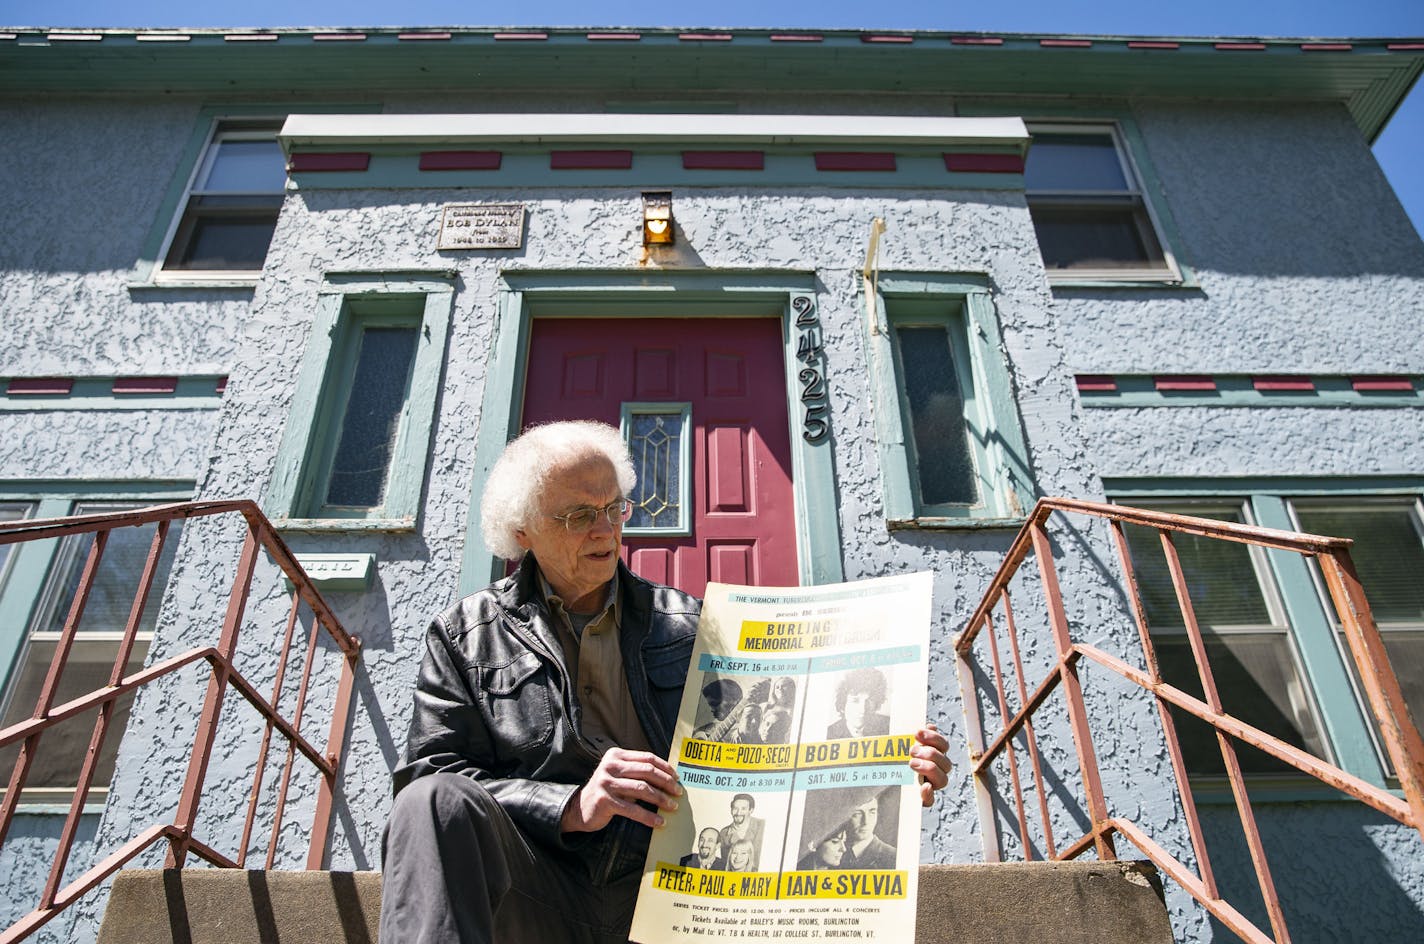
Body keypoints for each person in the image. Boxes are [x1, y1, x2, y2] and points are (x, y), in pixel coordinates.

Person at [379, 420, 953, 944]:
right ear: (521, 530)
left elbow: (774, 756)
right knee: (431, 802)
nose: (605, 529)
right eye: (580, 515)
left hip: (674, 890)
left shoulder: (698, 625)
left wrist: (885, 768)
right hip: (536, 890)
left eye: (614, 508)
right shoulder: (463, 634)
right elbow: (433, 774)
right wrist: (572, 806)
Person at [827, 667, 891, 739]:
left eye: (868, 701)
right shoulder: (830, 734)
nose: (862, 710)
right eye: (855, 701)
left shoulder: (888, 725)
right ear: (843, 704)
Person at [840, 792, 896, 870]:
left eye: (872, 812)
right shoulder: (833, 855)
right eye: (857, 813)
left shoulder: (893, 856)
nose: (866, 822)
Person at [716, 793, 765, 867]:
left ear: (751, 810)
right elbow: (727, 865)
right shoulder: (724, 833)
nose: (738, 813)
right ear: (731, 810)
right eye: (735, 808)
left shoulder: (761, 825)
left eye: (743, 809)